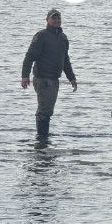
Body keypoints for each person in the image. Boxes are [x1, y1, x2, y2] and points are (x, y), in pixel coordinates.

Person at [21, 8, 78, 139]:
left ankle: (43, 137)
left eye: (58, 18)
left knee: (48, 110)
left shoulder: (63, 38)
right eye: (54, 18)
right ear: (47, 20)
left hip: (54, 79)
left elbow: (66, 60)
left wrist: (72, 78)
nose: (57, 21)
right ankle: (42, 139)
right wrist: (25, 76)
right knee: (44, 110)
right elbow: (29, 56)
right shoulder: (41, 36)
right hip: (43, 79)